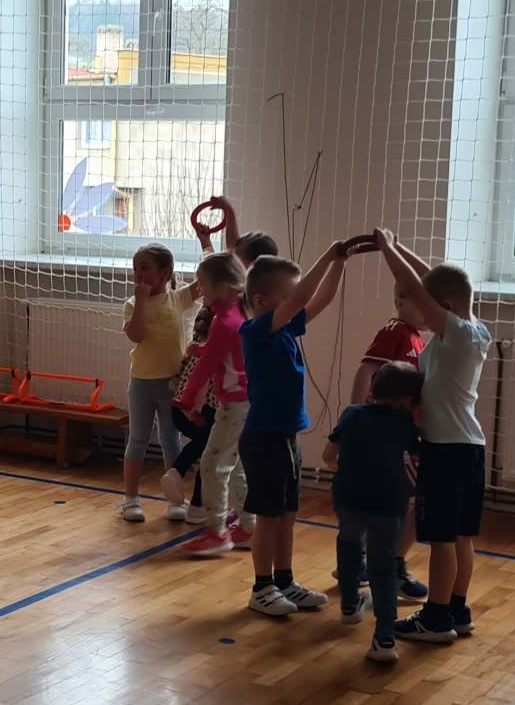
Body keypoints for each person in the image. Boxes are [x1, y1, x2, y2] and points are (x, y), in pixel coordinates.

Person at [373, 229, 489, 644]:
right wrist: (402, 246)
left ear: (447, 307)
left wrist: (388, 251)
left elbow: (419, 289)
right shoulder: (477, 329)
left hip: (446, 450)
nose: (423, 312)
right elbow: (433, 284)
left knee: (441, 539)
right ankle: (457, 609)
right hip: (470, 447)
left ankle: (436, 618)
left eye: (431, 306)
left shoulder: (456, 333)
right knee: (461, 536)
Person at [237, 239, 354, 616]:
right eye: (287, 297)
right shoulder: (256, 331)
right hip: (264, 440)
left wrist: (339, 262)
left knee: (287, 515)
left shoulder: (286, 330)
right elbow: (305, 295)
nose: (296, 303)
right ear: (261, 302)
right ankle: (262, 588)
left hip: (286, 438)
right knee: (269, 518)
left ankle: (284, 581)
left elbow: (321, 299)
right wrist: (327, 254)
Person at [163, 200, 279, 513]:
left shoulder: (246, 292)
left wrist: (229, 214)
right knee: (216, 446)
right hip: (217, 381)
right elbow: (220, 258)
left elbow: (228, 252)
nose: (231, 257)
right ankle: (206, 507)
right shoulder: (229, 293)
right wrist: (221, 222)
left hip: (218, 379)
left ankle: (201, 499)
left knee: (216, 446)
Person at [336, 281, 435, 601]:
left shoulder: (417, 338)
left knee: (408, 502)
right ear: (401, 302)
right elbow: (366, 370)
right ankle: (377, 563)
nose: (428, 311)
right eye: (422, 303)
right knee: (406, 501)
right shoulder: (394, 331)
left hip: (405, 437)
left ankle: (379, 561)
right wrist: (354, 416)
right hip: (389, 439)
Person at [322, 361, 425, 663]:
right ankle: (384, 637)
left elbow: (329, 457)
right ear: (409, 399)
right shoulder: (404, 423)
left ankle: (349, 605)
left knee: (349, 543)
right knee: (383, 566)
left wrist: (352, 472)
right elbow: (416, 462)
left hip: (348, 496)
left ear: (374, 388)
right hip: (388, 502)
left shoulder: (351, 414)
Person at [174, 252, 250, 556]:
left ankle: (217, 533)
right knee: (236, 464)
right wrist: (203, 348)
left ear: (222, 287)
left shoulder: (223, 321)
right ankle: (249, 527)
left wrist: (186, 398)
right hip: (246, 401)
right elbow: (228, 350)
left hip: (234, 404)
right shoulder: (240, 312)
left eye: (202, 283)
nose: (199, 288)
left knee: (212, 464)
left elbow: (206, 368)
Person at [119, 243, 184, 522]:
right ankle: (131, 499)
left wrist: (206, 242)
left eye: (144, 268)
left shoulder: (178, 298)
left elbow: (209, 280)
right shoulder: (132, 304)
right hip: (142, 383)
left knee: (171, 439)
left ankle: (176, 500)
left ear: (164, 273)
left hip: (172, 383)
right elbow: (136, 335)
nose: (138, 274)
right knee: (138, 439)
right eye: (135, 269)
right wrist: (141, 301)